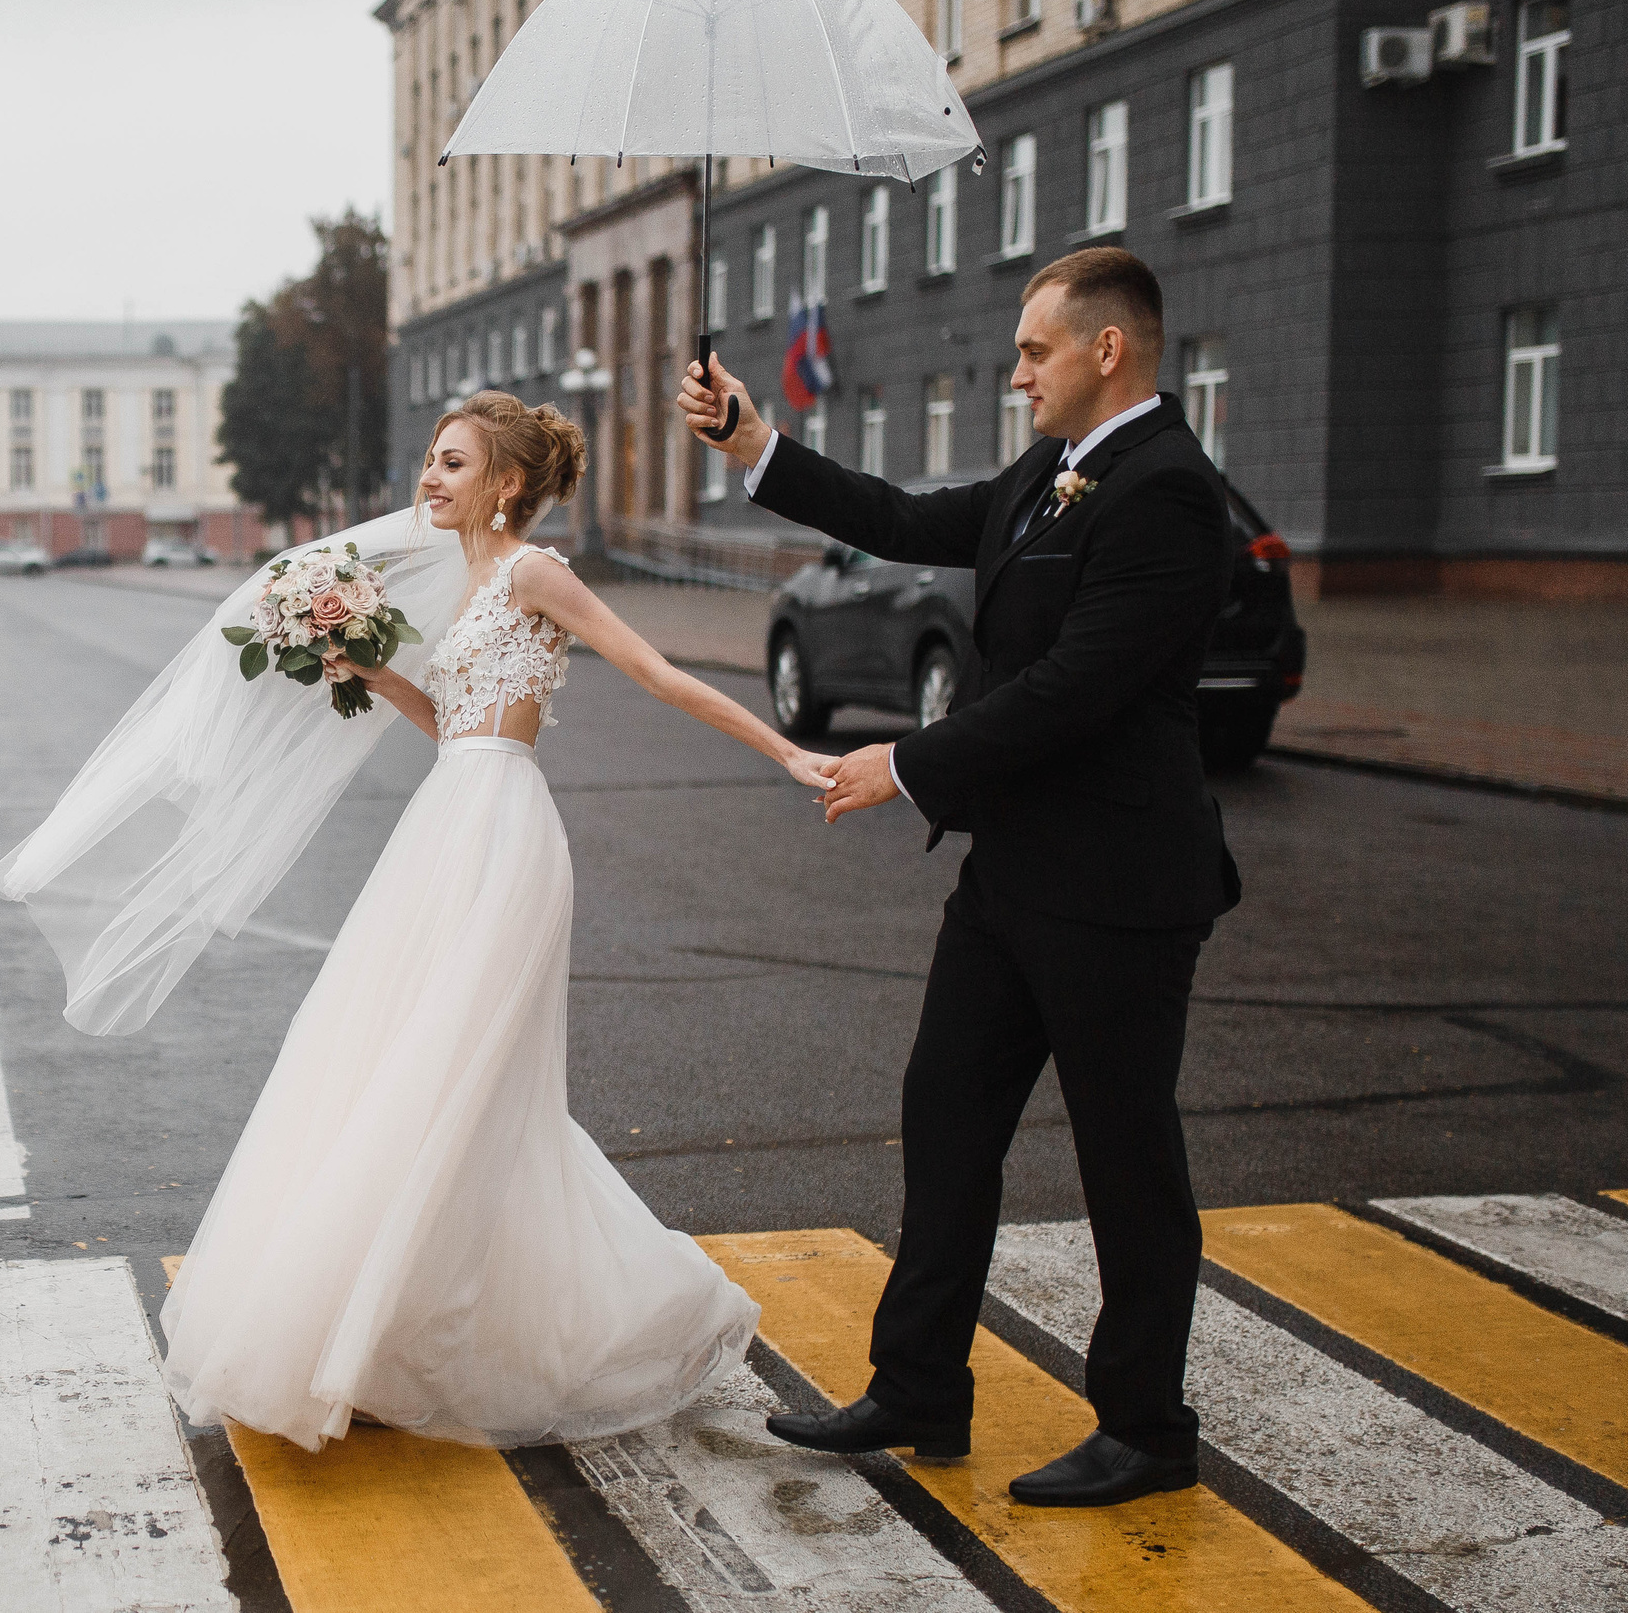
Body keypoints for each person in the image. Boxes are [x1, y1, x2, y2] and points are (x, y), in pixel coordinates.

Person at [114, 391, 833, 1451]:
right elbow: (455, 725)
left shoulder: (536, 573)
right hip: (444, 819)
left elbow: (657, 672)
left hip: (503, 834)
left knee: (451, 1076)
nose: (430, 479)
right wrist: (370, 670)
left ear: (506, 484)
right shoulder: (462, 583)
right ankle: (372, 1339)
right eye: (430, 462)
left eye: (454, 464)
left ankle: (385, 1337)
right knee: (391, 1063)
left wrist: (787, 754)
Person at [677, 246, 1240, 1507]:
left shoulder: (1167, 491)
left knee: (1127, 1165)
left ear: (1109, 351)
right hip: (1013, 880)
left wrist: (906, 763)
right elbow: (909, 520)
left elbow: (1076, 687)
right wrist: (761, 449)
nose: (1016, 372)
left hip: (1120, 891)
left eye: (1035, 351)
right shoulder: (1052, 472)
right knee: (945, 1118)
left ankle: (1148, 1429)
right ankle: (922, 1382)